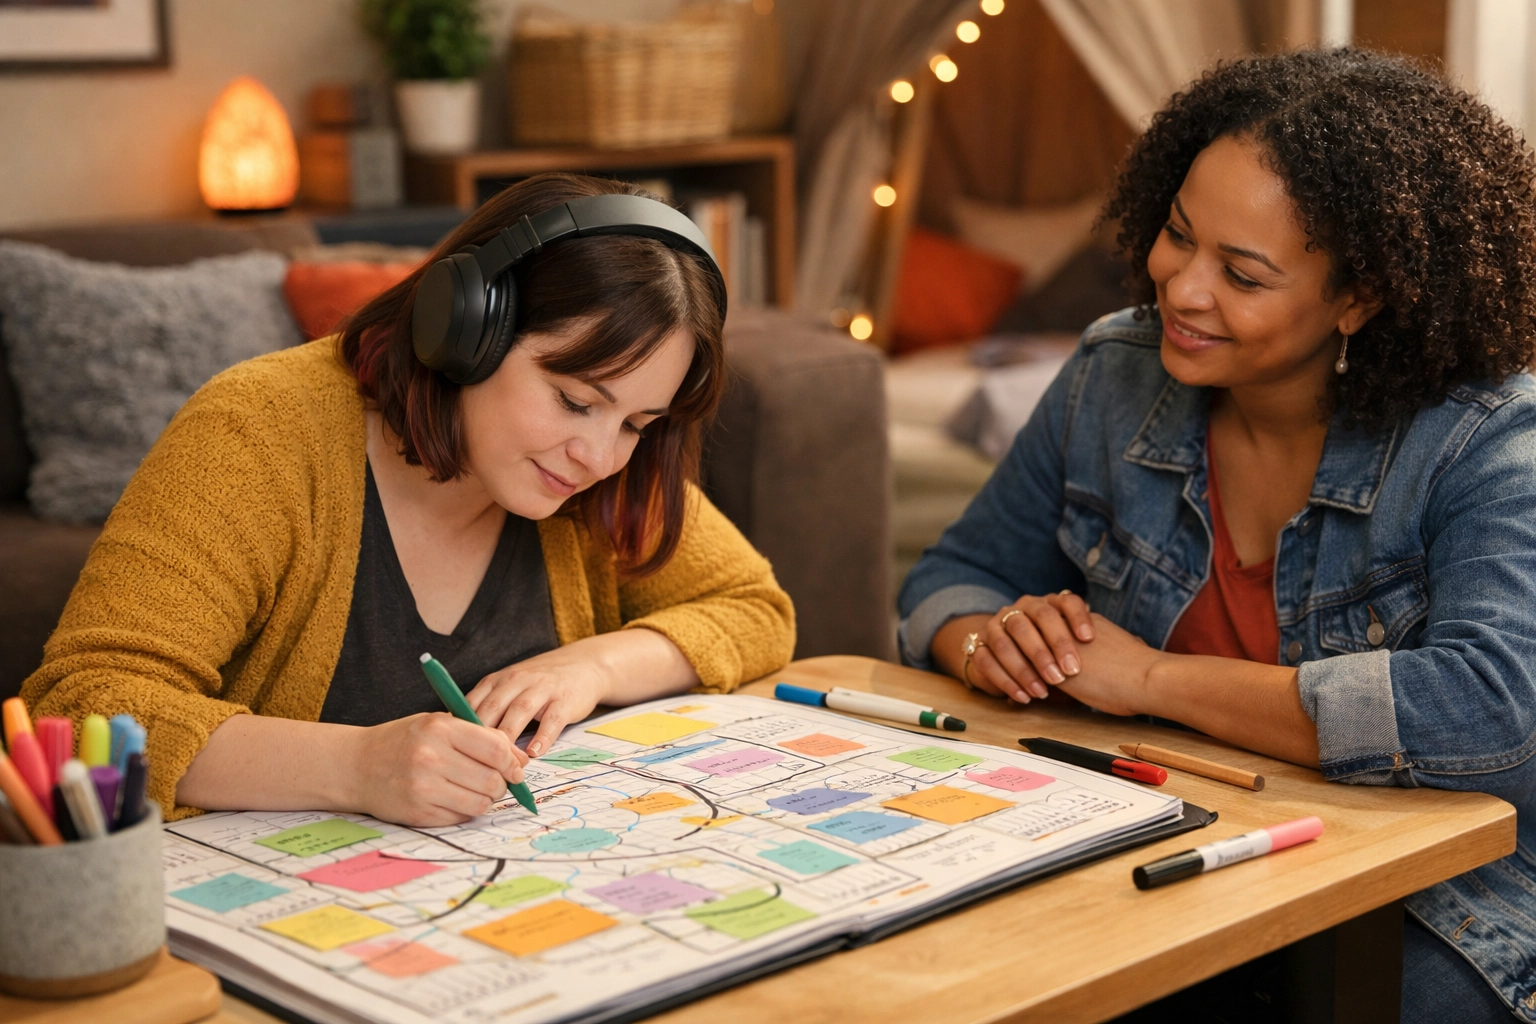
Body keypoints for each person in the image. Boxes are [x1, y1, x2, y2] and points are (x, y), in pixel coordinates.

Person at [898, 49, 1536, 1021]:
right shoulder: (1114, 374)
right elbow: (954, 576)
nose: (1180, 291)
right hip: (1168, 845)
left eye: (1241, 273)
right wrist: (992, 641)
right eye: (1176, 235)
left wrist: (1150, 681)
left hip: (1445, 902)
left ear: (1360, 297)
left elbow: (1490, 714)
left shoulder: (1487, 439)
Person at [22, 173, 795, 829]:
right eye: (571, 400)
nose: (598, 457)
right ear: (466, 329)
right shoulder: (256, 434)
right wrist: (356, 767)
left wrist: (592, 666)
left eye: (637, 422)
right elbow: (83, 708)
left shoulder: (604, 471)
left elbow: (754, 608)